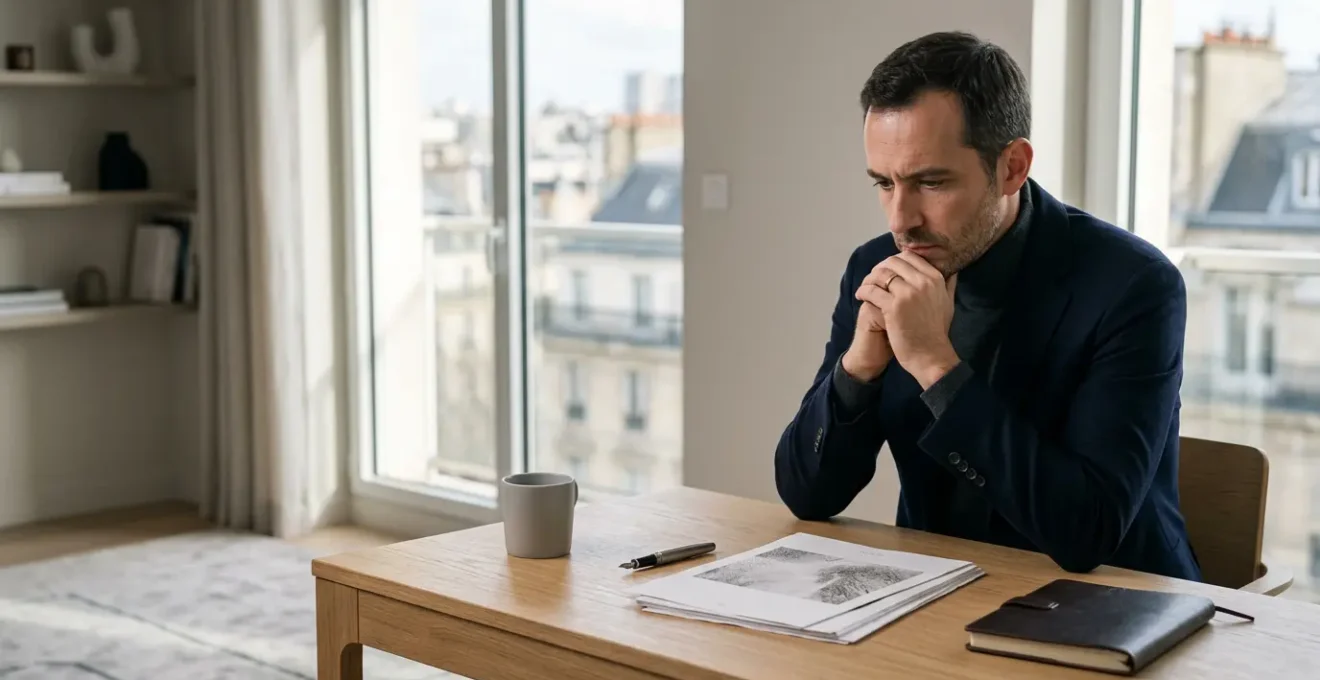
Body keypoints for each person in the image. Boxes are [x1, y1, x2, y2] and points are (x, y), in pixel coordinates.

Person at [773, 31, 1200, 580]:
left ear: (1012, 168)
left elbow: (1085, 532)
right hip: (935, 594)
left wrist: (935, 366)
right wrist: (858, 369)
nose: (900, 220)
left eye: (931, 182)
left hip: (1116, 604)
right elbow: (807, 494)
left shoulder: (1134, 286)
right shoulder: (875, 268)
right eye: (884, 183)